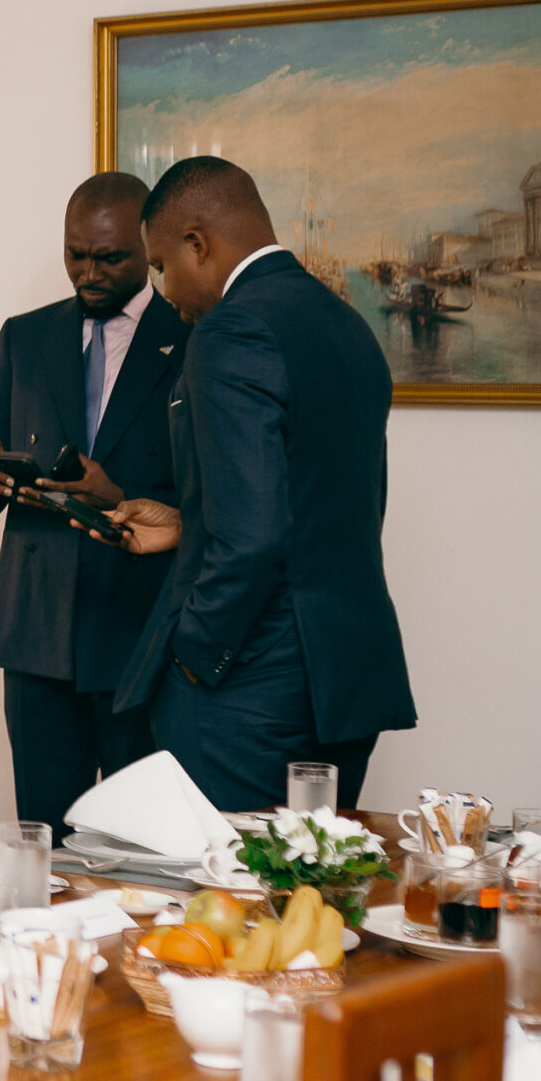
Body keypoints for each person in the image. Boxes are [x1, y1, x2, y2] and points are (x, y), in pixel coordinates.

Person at [110, 156, 415, 811]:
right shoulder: (349, 325)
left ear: (198, 244)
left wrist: (195, 656)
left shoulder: (230, 330)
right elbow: (328, 501)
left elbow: (253, 538)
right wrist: (189, 525)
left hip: (249, 692)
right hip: (348, 679)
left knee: (221, 876)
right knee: (314, 876)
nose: (163, 289)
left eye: (161, 265)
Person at [0, 172, 189, 829]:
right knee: (44, 846)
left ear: (147, 247)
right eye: (75, 254)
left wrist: (119, 494)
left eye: (109, 258)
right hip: (36, 639)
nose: (88, 273)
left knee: (144, 848)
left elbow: (212, 495)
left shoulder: (191, 338)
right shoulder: (24, 338)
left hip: (141, 639)